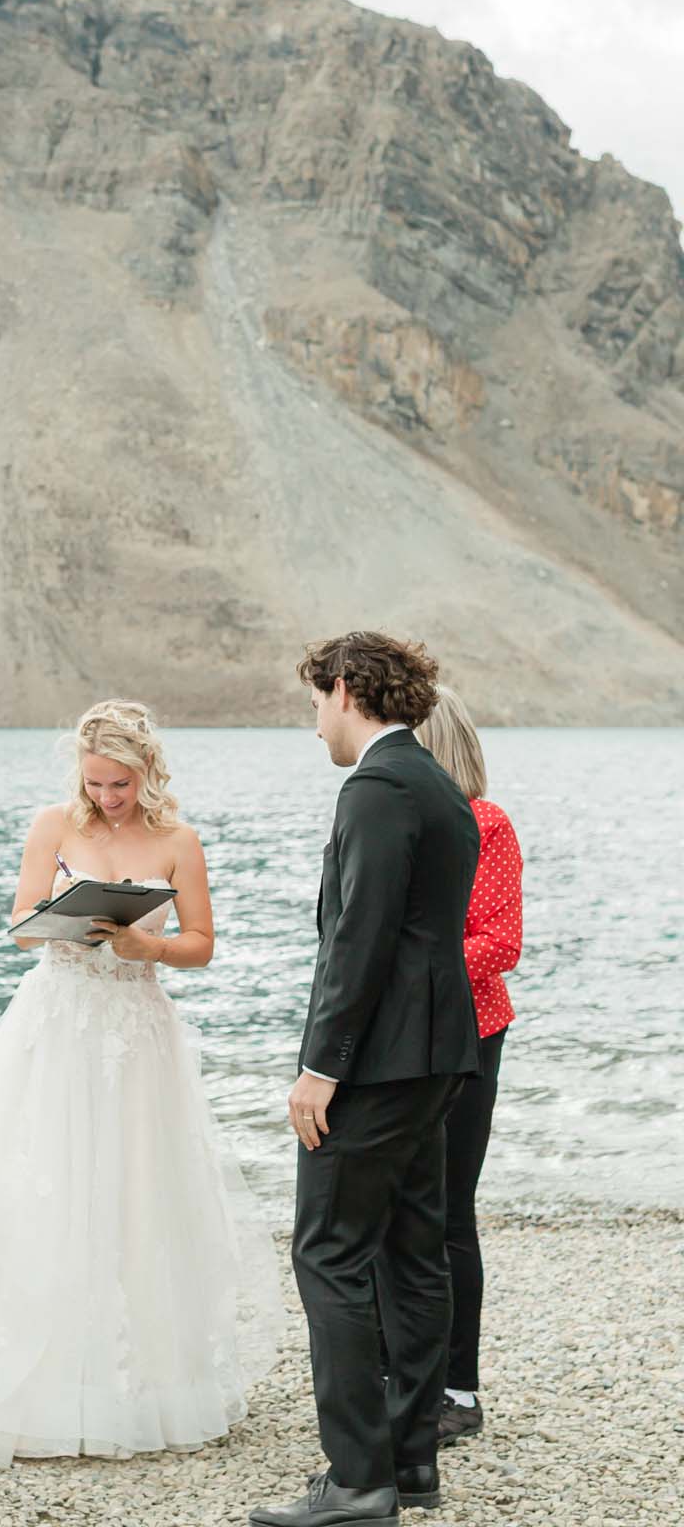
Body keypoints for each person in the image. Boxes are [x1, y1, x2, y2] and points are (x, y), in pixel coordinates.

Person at [0, 699, 282, 1467]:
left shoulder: (179, 840)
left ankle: (137, 1383)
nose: (108, 797)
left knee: (137, 1187)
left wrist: (146, 944)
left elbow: (200, 943)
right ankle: (26, 1375)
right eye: (97, 782)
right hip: (57, 1019)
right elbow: (19, 925)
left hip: (136, 1030)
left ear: (147, 772)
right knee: (39, 1180)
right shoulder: (53, 826)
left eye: (121, 784)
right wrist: (62, 920)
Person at [250, 633, 479, 1527]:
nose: (315, 726)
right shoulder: (440, 789)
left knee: (328, 1250)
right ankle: (410, 1463)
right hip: (434, 1057)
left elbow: (362, 940)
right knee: (412, 1251)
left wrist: (319, 1069)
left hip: (378, 1065)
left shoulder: (378, 788)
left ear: (345, 689)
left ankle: (355, 1480)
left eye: (316, 703)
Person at [415, 684, 521, 1446]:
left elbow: (499, 943)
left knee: (451, 1213)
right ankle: (404, 1373)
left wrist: (410, 970)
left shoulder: (488, 824)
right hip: (392, 1043)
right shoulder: (389, 819)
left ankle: (461, 1388)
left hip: (470, 1034)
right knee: (397, 1212)